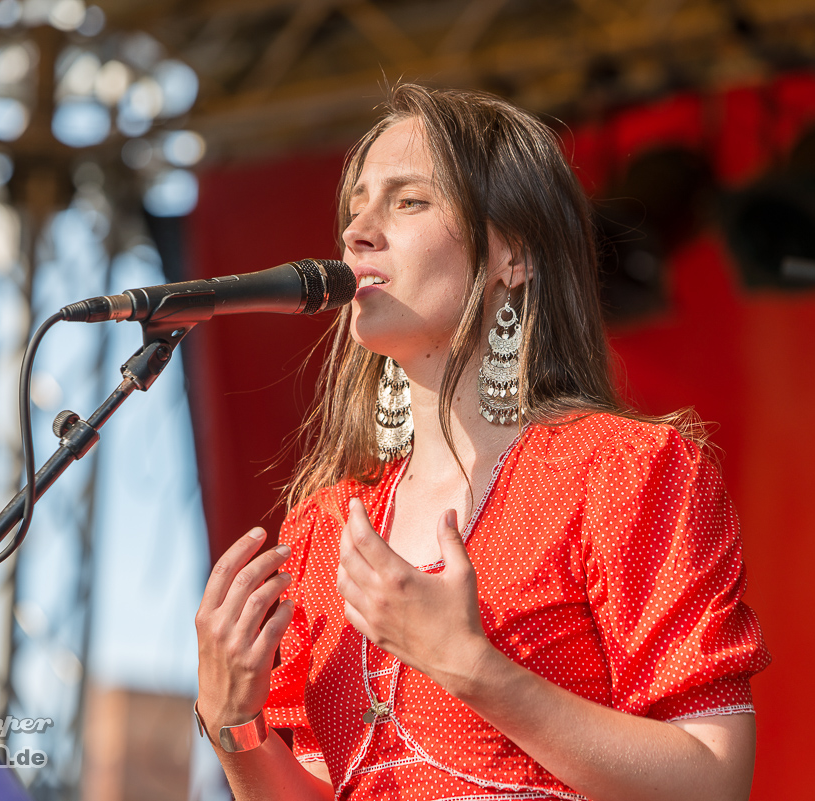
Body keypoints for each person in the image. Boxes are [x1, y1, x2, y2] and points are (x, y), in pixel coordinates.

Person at [194, 83, 770, 801]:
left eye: (408, 201)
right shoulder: (325, 525)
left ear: (513, 255)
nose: (358, 232)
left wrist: (471, 667)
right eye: (355, 208)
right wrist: (235, 727)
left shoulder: (622, 473)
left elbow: (712, 779)